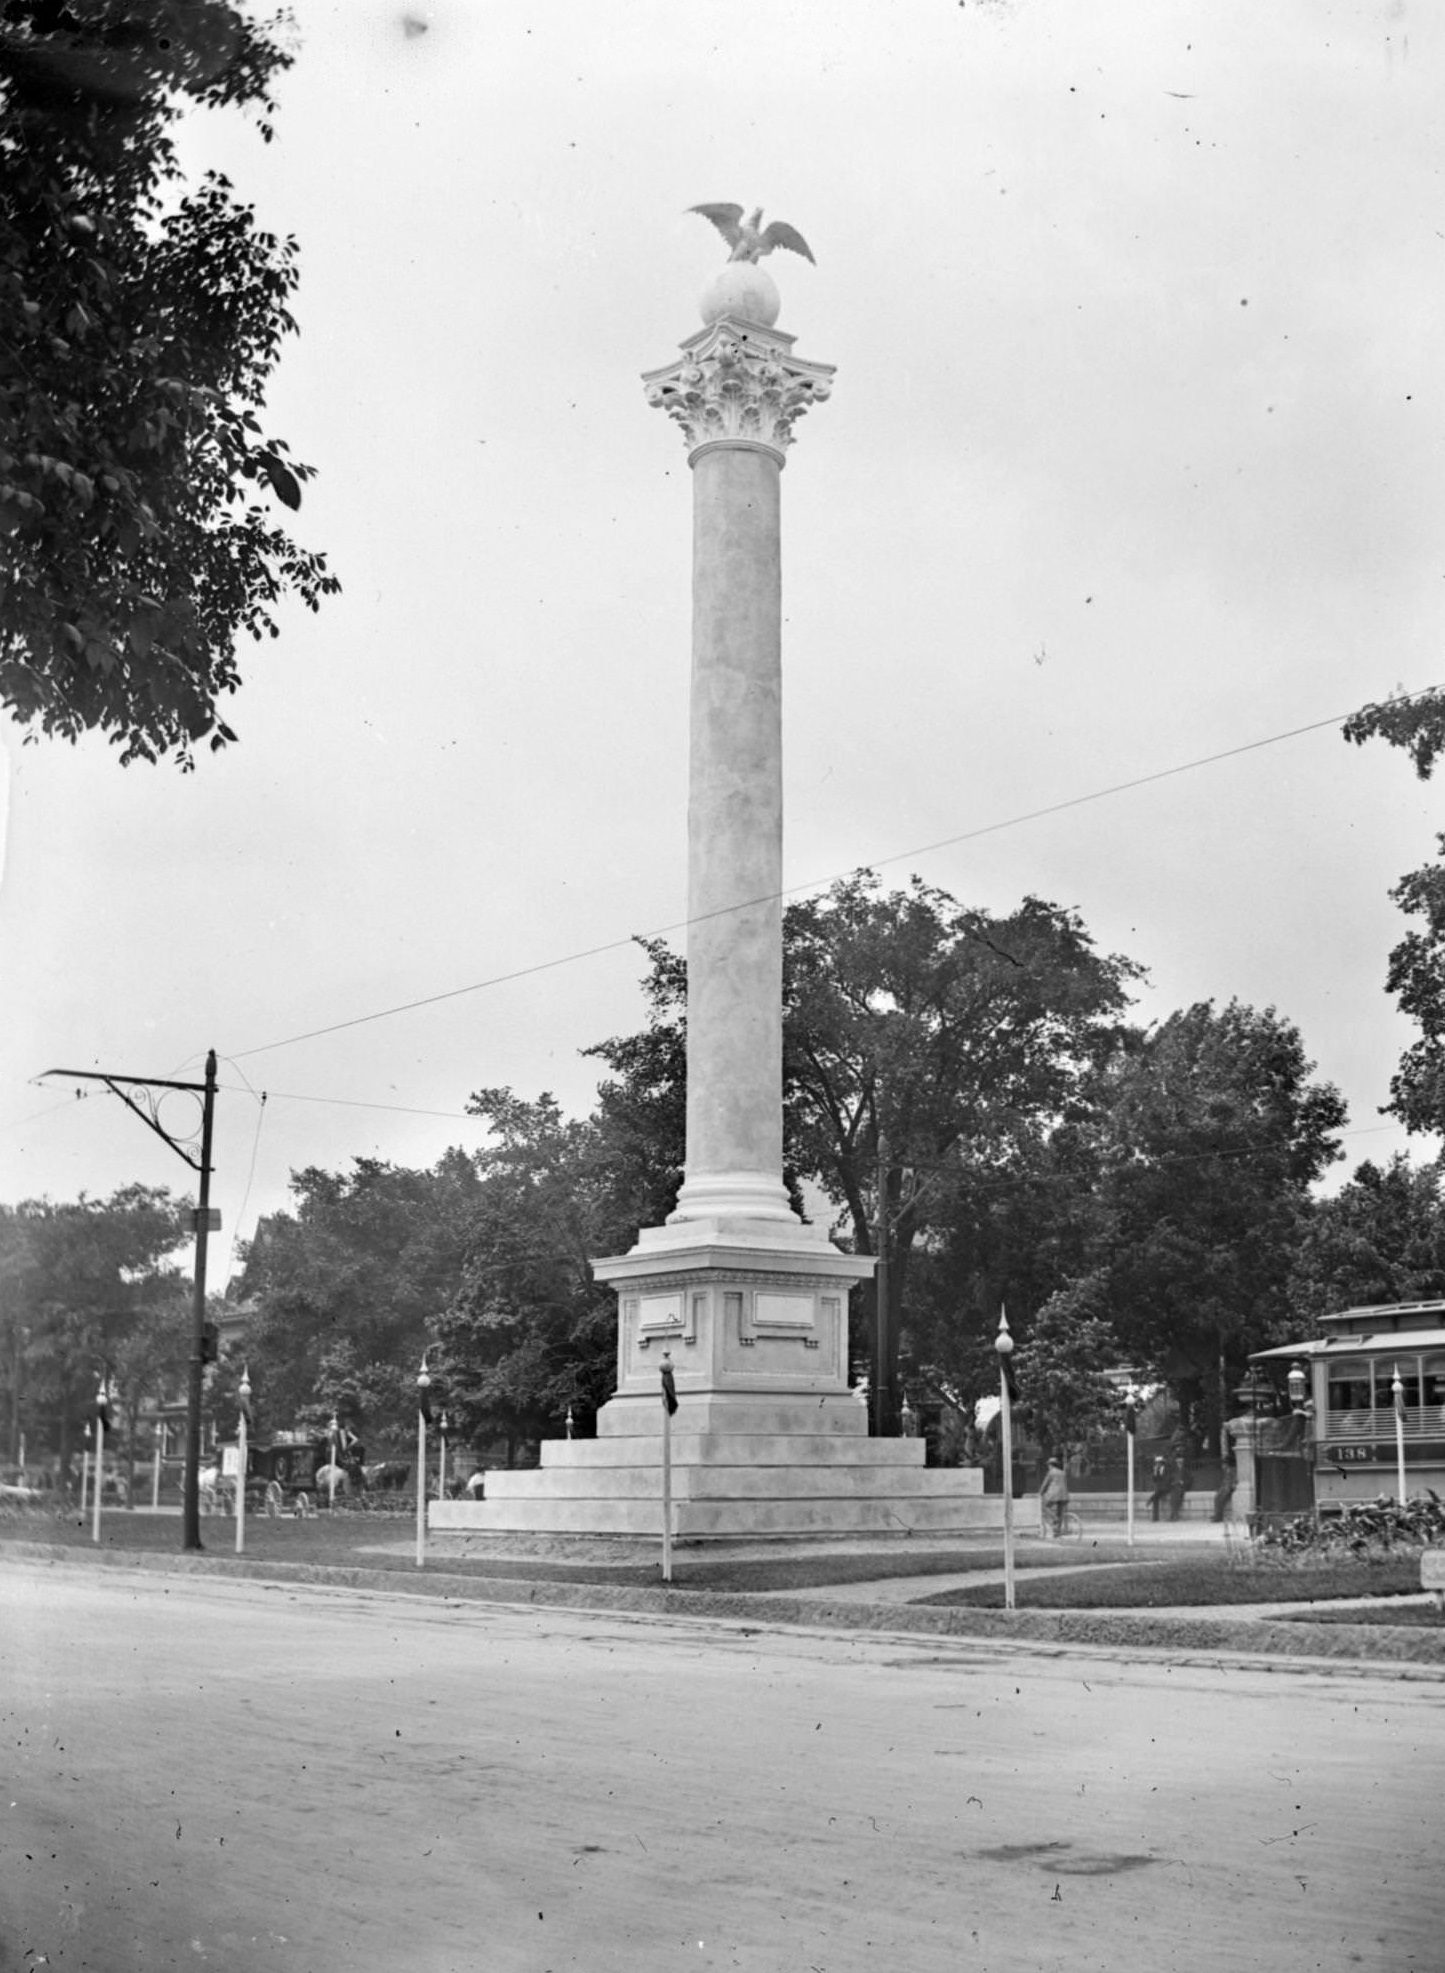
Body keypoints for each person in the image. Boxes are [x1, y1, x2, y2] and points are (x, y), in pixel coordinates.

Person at [1039, 1456, 1070, 1538]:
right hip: (1064, 1496)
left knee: (1044, 1506)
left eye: (1048, 1465)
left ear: (1050, 1465)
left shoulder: (1051, 1472)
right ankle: (1057, 1532)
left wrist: (1040, 1493)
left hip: (1054, 1495)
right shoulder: (1062, 1472)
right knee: (1059, 1513)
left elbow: (1045, 1484)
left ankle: (1053, 1518)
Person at [1148, 1451, 1173, 1522]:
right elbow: (1154, 1480)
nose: (1157, 1464)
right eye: (1156, 1463)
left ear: (1162, 1463)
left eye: (1159, 1462)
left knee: (1156, 1496)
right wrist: (1155, 1472)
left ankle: (1150, 1500)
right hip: (1160, 1489)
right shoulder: (1156, 1470)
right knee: (1155, 1499)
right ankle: (1155, 1517)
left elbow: (1167, 1480)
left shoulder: (1166, 1468)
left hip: (1166, 1488)